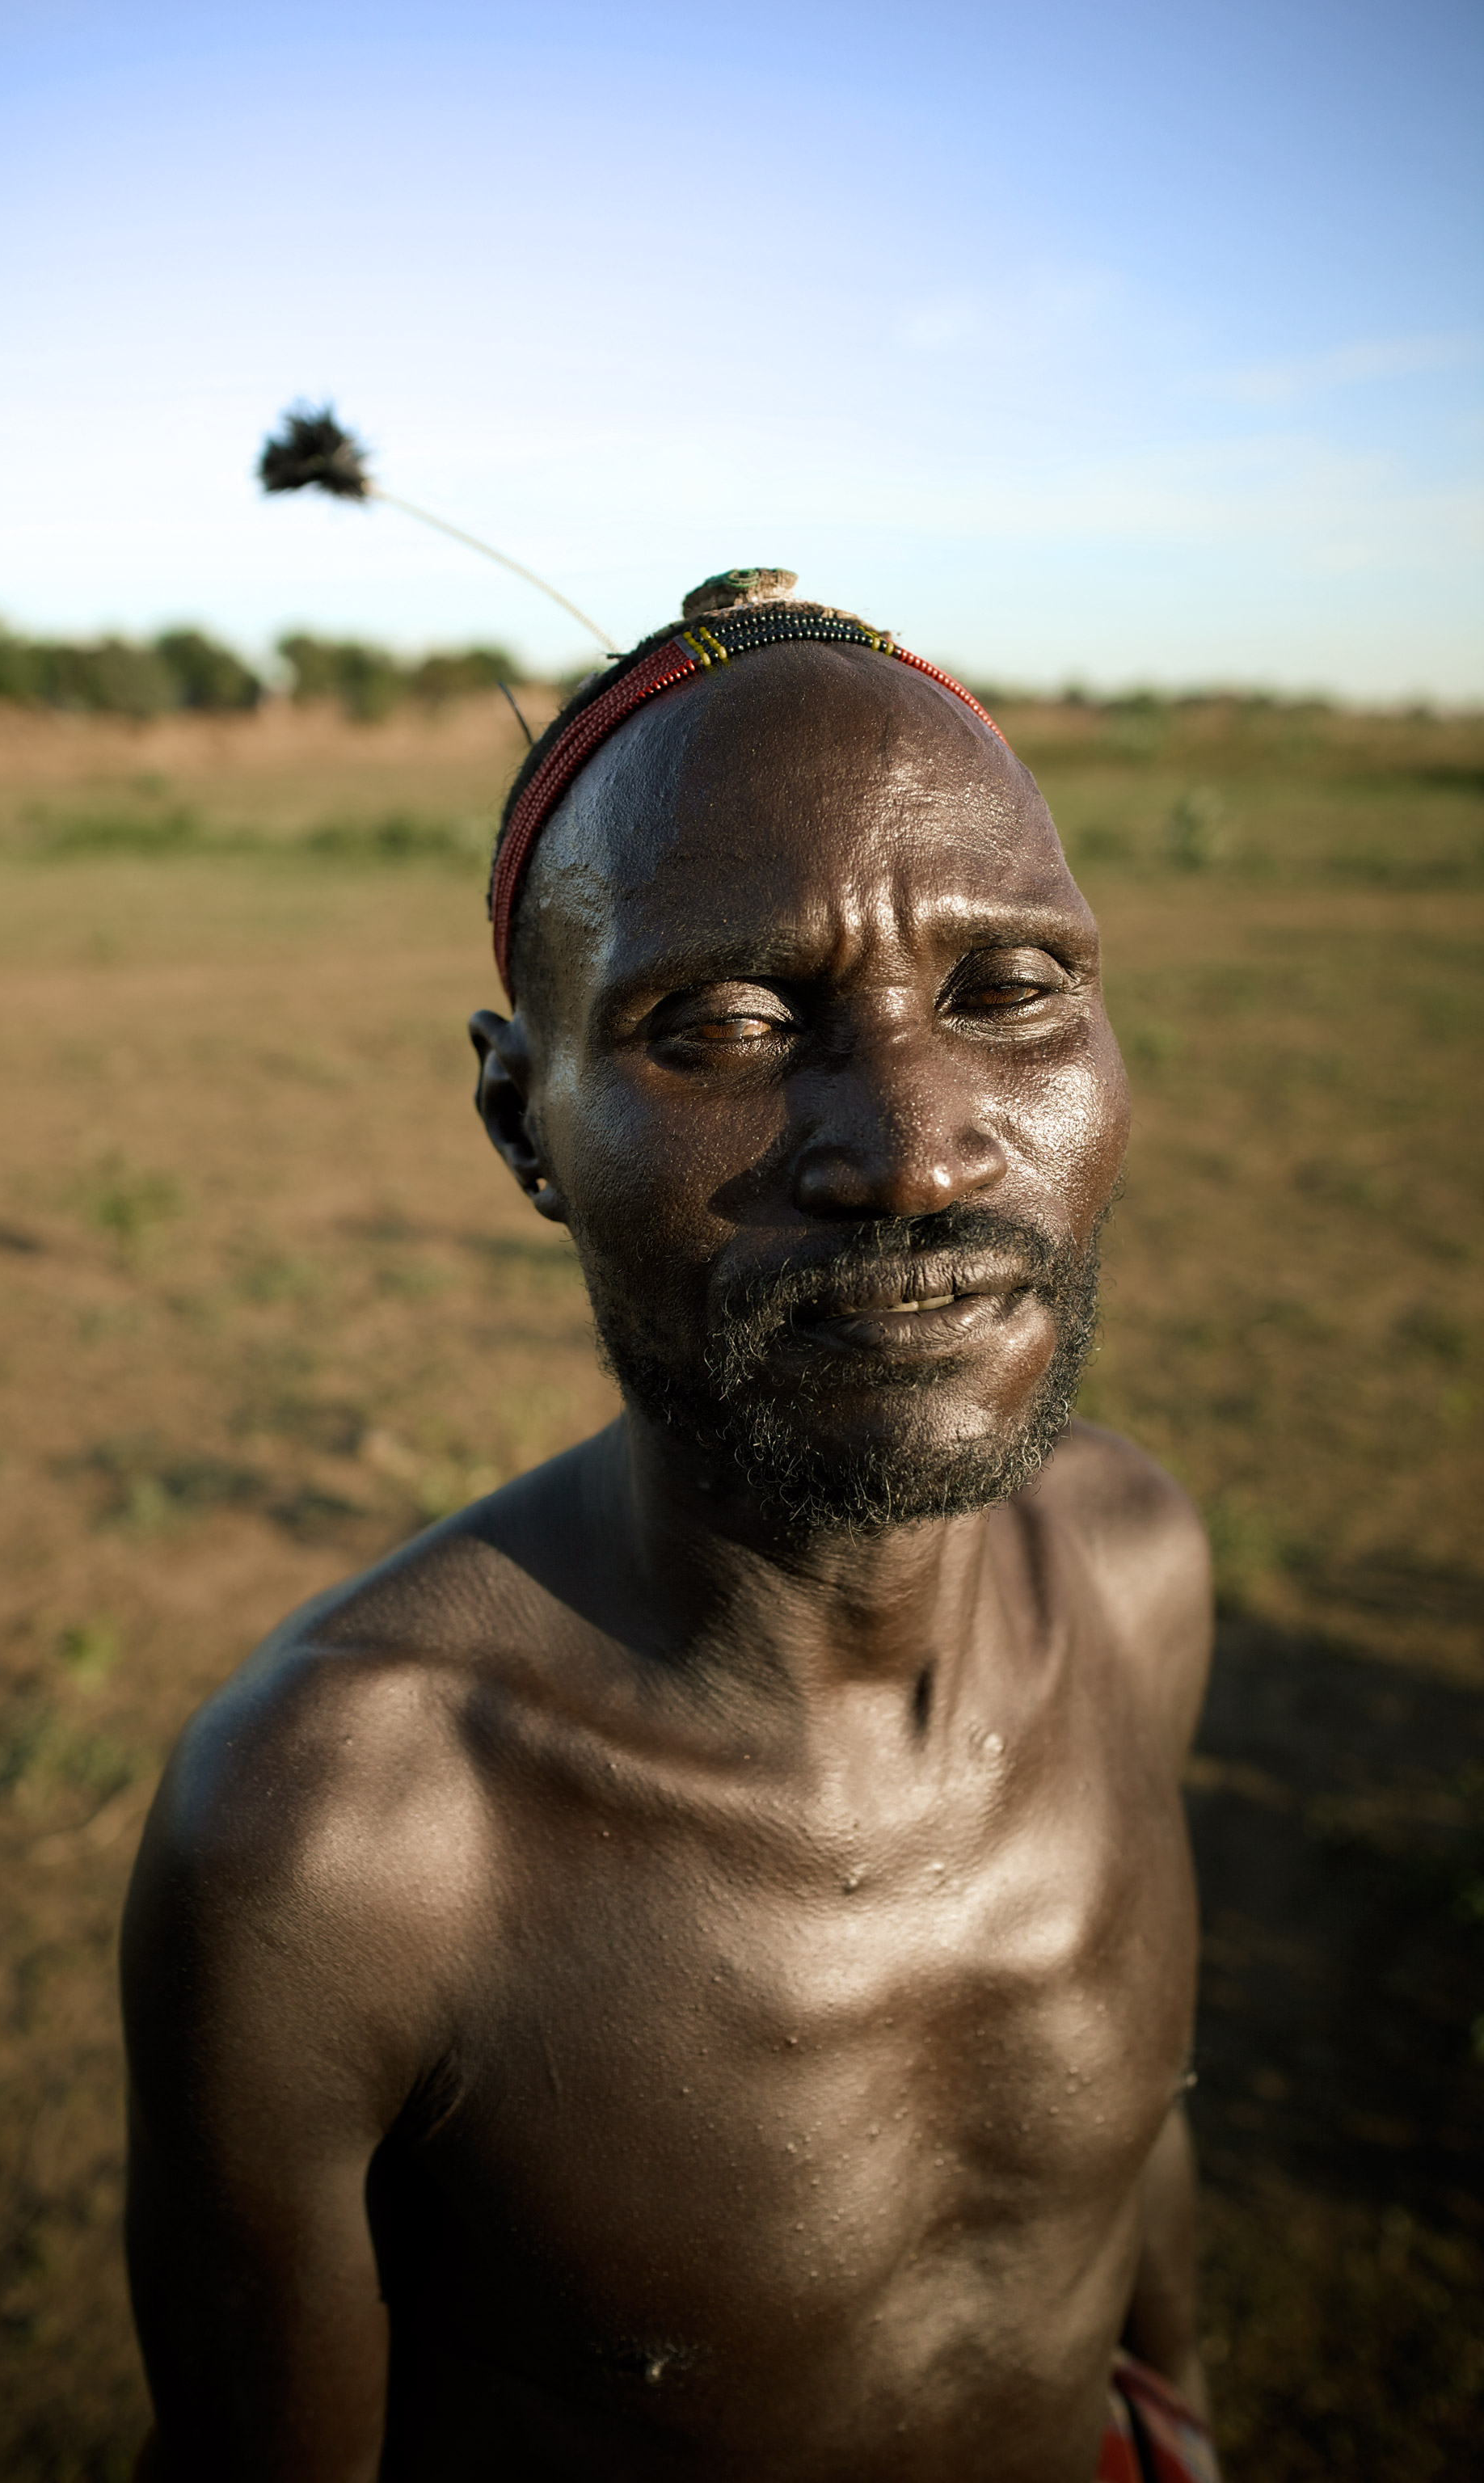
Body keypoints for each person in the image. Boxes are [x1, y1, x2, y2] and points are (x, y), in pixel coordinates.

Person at [122, 571, 1221, 2482]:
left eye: (1010, 990)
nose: (915, 1149)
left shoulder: (1135, 1577)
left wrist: (1181, 2424)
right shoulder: (350, 1841)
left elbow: (1129, 2145)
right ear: (519, 1121)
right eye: (718, 1021)